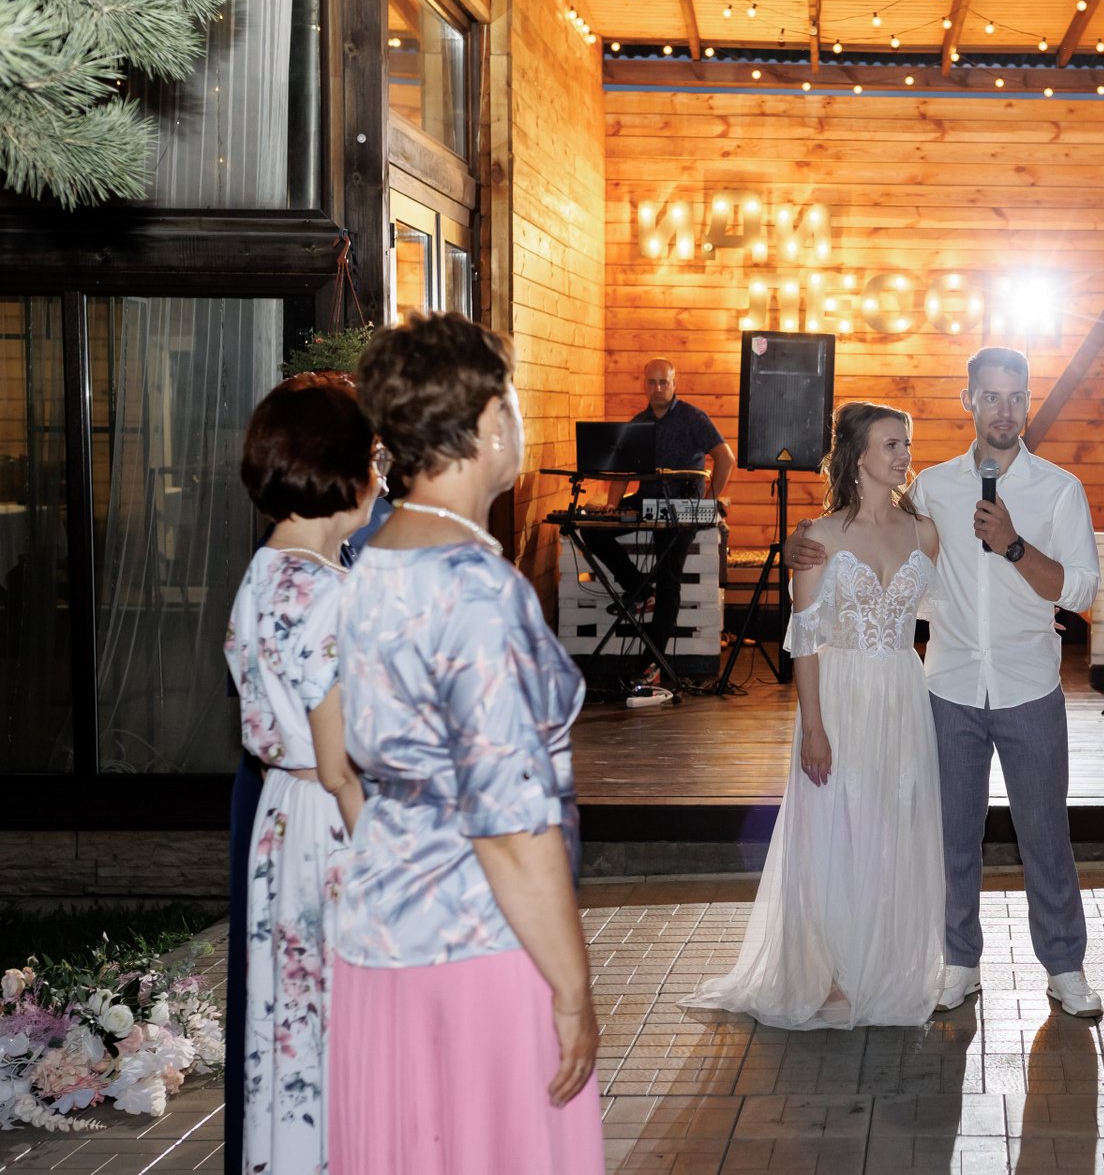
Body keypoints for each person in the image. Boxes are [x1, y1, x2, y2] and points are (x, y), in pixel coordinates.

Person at [331, 313, 602, 1174]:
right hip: (477, 938)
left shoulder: (372, 560)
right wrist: (572, 986)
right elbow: (510, 826)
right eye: (513, 401)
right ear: (490, 421)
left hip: (379, 929)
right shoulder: (477, 591)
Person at [785, 347, 1104, 1018]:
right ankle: (959, 961)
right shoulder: (931, 489)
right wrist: (799, 545)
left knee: (1045, 834)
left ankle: (1065, 967)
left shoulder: (1059, 489)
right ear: (969, 401)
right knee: (951, 836)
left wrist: (1014, 544)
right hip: (949, 685)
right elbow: (864, 523)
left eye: (1016, 396)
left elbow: (1079, 592)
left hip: (1028, 683)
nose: (1004, 410)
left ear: (1027, 401)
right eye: (991, 396)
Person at [683, 402, 945, 1028]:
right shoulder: (819, 538)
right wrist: (815, 729)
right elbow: (803, 640)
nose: (905, 455)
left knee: (895, 829)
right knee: (837, 830)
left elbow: (946, 611)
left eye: (906, 443)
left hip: (902, 695)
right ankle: (827, 972)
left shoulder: (925, 532)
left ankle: (882, 967)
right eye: (891, 444)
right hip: (841, 694)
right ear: (859, 456)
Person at [224, 376, 378, 1175]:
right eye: (372, 459)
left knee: (290, 1018)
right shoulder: (326, 594)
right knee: (341, 1018)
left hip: (281, 814)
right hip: (329, 820)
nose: (379, 478)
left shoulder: (263, 573)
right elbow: (341, 763)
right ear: (339, 472)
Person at [580, 358, 735, 655]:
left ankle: (651, 664)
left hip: (682, 508)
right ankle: (639, 588)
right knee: (592, 530)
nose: (658, 388)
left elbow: (726, 458)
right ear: (644, 384)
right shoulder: (638, 422)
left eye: (664, 382)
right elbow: (623, 470)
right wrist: (612, 505)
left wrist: (707, 503)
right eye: (652, 382)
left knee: (668, 581)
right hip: (646, 500)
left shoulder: (693, 418)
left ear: (675, 384)